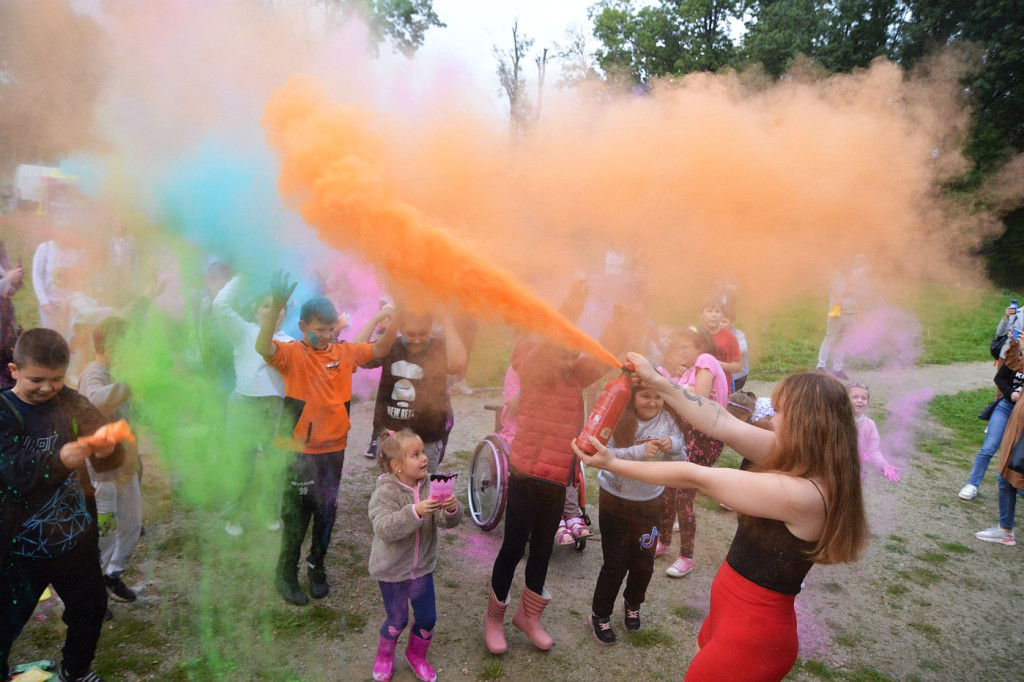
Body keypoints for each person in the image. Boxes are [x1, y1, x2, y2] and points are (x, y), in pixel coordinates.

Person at [574, 352, 869, 681]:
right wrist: (658, 381)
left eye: (781, 412)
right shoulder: (800, 455)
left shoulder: (805, 495)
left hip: (751, 638)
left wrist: (612, 462)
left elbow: (697, 477)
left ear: (806, 424)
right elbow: (720, 421)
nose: (772, 418)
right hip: (734, 615)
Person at [483, 280, 626, 655]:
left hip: (555, 477)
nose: (569, 358)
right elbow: (548, 345)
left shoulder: (575, 373)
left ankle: (529, 617)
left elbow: (604, 355)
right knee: (513, 547)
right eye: (562, 349)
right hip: (526, 473)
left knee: (543, 548)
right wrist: (571, 307)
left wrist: (620, 323)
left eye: (573, 351)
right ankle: (494, 618)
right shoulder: (530, 361)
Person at [256, 272, 398, 606]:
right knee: (296, 516)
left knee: (327, 512)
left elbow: (379, 348)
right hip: (297, 452)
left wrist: (398, 317)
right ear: (303, 325)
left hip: (333, 451)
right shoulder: (292, 354)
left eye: (330, 329)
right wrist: (277, 303)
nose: (325, 335)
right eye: (318, 330)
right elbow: (263, 347)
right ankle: (285, 572)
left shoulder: (344, 352)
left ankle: (315, 566)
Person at [1, 328, 124, 682]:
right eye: (36, 379)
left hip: (74, 539)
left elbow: (106, 450)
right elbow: (11, 472)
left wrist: (106, 449)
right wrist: (60, 459)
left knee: (90, 608)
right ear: (14, 370)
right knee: (5, 621)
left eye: (56, 379)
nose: (47, 388)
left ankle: (77, 670)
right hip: (18, 548)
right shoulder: (4, 411)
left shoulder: (71, 401)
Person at [588, 384, 685, 645]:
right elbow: (602, 454)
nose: (652, 402)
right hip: (615, 500)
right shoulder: (618, 417)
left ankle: (633, 603)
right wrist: (638, 452)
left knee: (644, 561)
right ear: (632, 397)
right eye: (645, 396)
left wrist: (673, 444)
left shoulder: (668, 421)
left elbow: (682, 458)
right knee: (615, 563)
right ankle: (599, 614)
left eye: (658, 396)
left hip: (651, 502)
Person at [368, 429, 462, 682]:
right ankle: (385, 656)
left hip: (421, 569)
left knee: (427, 618)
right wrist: (415, 512)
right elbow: (383, 528)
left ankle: (416, 655)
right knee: (396, 619)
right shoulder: (386, 493)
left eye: (423, 453)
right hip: (393, 572)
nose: (424, 459)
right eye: (416, 454)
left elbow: (443, 521)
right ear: (397, 466)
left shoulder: (431, 484)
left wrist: (451, 510)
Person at [212, 274, 294, 536]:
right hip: (243, 405)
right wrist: (242, 275)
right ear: (253, 309)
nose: (274, 311)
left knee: (275, 464)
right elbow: (220, 305)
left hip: (275, 409)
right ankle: (233, 514)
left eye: (279, 306)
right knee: (239, 461)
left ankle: (270, 510)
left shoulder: (291, 342)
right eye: (266, 305)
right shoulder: (243, 331)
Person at [78, 317, 143, 604]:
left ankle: (112, 575)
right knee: (103, 535)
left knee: (131, 525)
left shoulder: (118, 371)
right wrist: (129, 384)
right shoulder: (93, 374)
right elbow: (96, 401)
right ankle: (91, 590)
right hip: (103, 476)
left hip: (126, 469)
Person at [658, 325, 729, 579]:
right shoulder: (692, 369)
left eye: (685, 347)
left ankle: (686, 557)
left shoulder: (706, 359)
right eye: (678, 348)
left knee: (683, 497)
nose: (681, 353)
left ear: (700, 346)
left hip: (703, 438)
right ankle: (663, 541)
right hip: (687, 436)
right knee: (668, 488)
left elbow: (699, 400)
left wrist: (677, 387)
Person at [358, 311, 466, 474]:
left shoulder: (438, 348)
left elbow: (457, 363)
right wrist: (375, 318)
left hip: (427, 437)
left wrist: (446, 321)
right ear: (401, 328)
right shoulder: (389, 346)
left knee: (423, 487)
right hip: (392, 436)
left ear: (430, 327)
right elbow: (358, 355)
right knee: (390, 485)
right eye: (410, 334)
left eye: (422, 333)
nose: (417, 339)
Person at [958, 337, 1024, 501]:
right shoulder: (1014, 357)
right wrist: (1010, 393)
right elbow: (999, 378)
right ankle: (972, 484)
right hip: (1006, 408)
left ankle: (1014, 487)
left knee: (1015, 453)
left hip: (1021, 415)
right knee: (989, 447)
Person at [976, 341, 1024, 546]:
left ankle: (1005, 530)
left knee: (1018, 480)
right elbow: (1011, 366)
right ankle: (1005, 530)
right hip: (1016, 425)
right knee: (1005, 476)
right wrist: (1016, 345)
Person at [816, 254, 871, 380]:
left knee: (843, 342)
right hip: (838, 314)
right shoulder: (835, 276)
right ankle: (820, 366)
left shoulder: (854, 276)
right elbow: (840, 292)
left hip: (851, 314)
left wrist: (855, 290)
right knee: (830, 338)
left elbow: (863, 292)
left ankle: (837, 368)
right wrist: (854, 290)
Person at [847, 382, 901, 483]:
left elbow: (873, 449)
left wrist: (883, 464)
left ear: (868, 402)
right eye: (855, 397)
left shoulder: (870, 424)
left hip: (856, 465)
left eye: (864, 398)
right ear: (845, 400)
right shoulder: (837, 421)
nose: (860, 401)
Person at [699, 296, 741, 390]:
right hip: (698, 387)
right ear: (701, 315)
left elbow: (738, 366)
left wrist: (717, 364)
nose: (714, 315)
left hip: (722, 387)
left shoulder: (730, 338)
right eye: (709, 311)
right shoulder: (695, 335)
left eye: (718, 311)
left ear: (722, 315)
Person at [721, 306, 749, 391]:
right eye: (719, 321)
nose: (720, 324)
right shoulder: (718, 334)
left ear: (732, 323)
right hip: (725, 371)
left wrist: (727, 352)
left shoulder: (738, 334)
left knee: (733, 393)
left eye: (724, 321)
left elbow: (743, 348)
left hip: (739, 375)